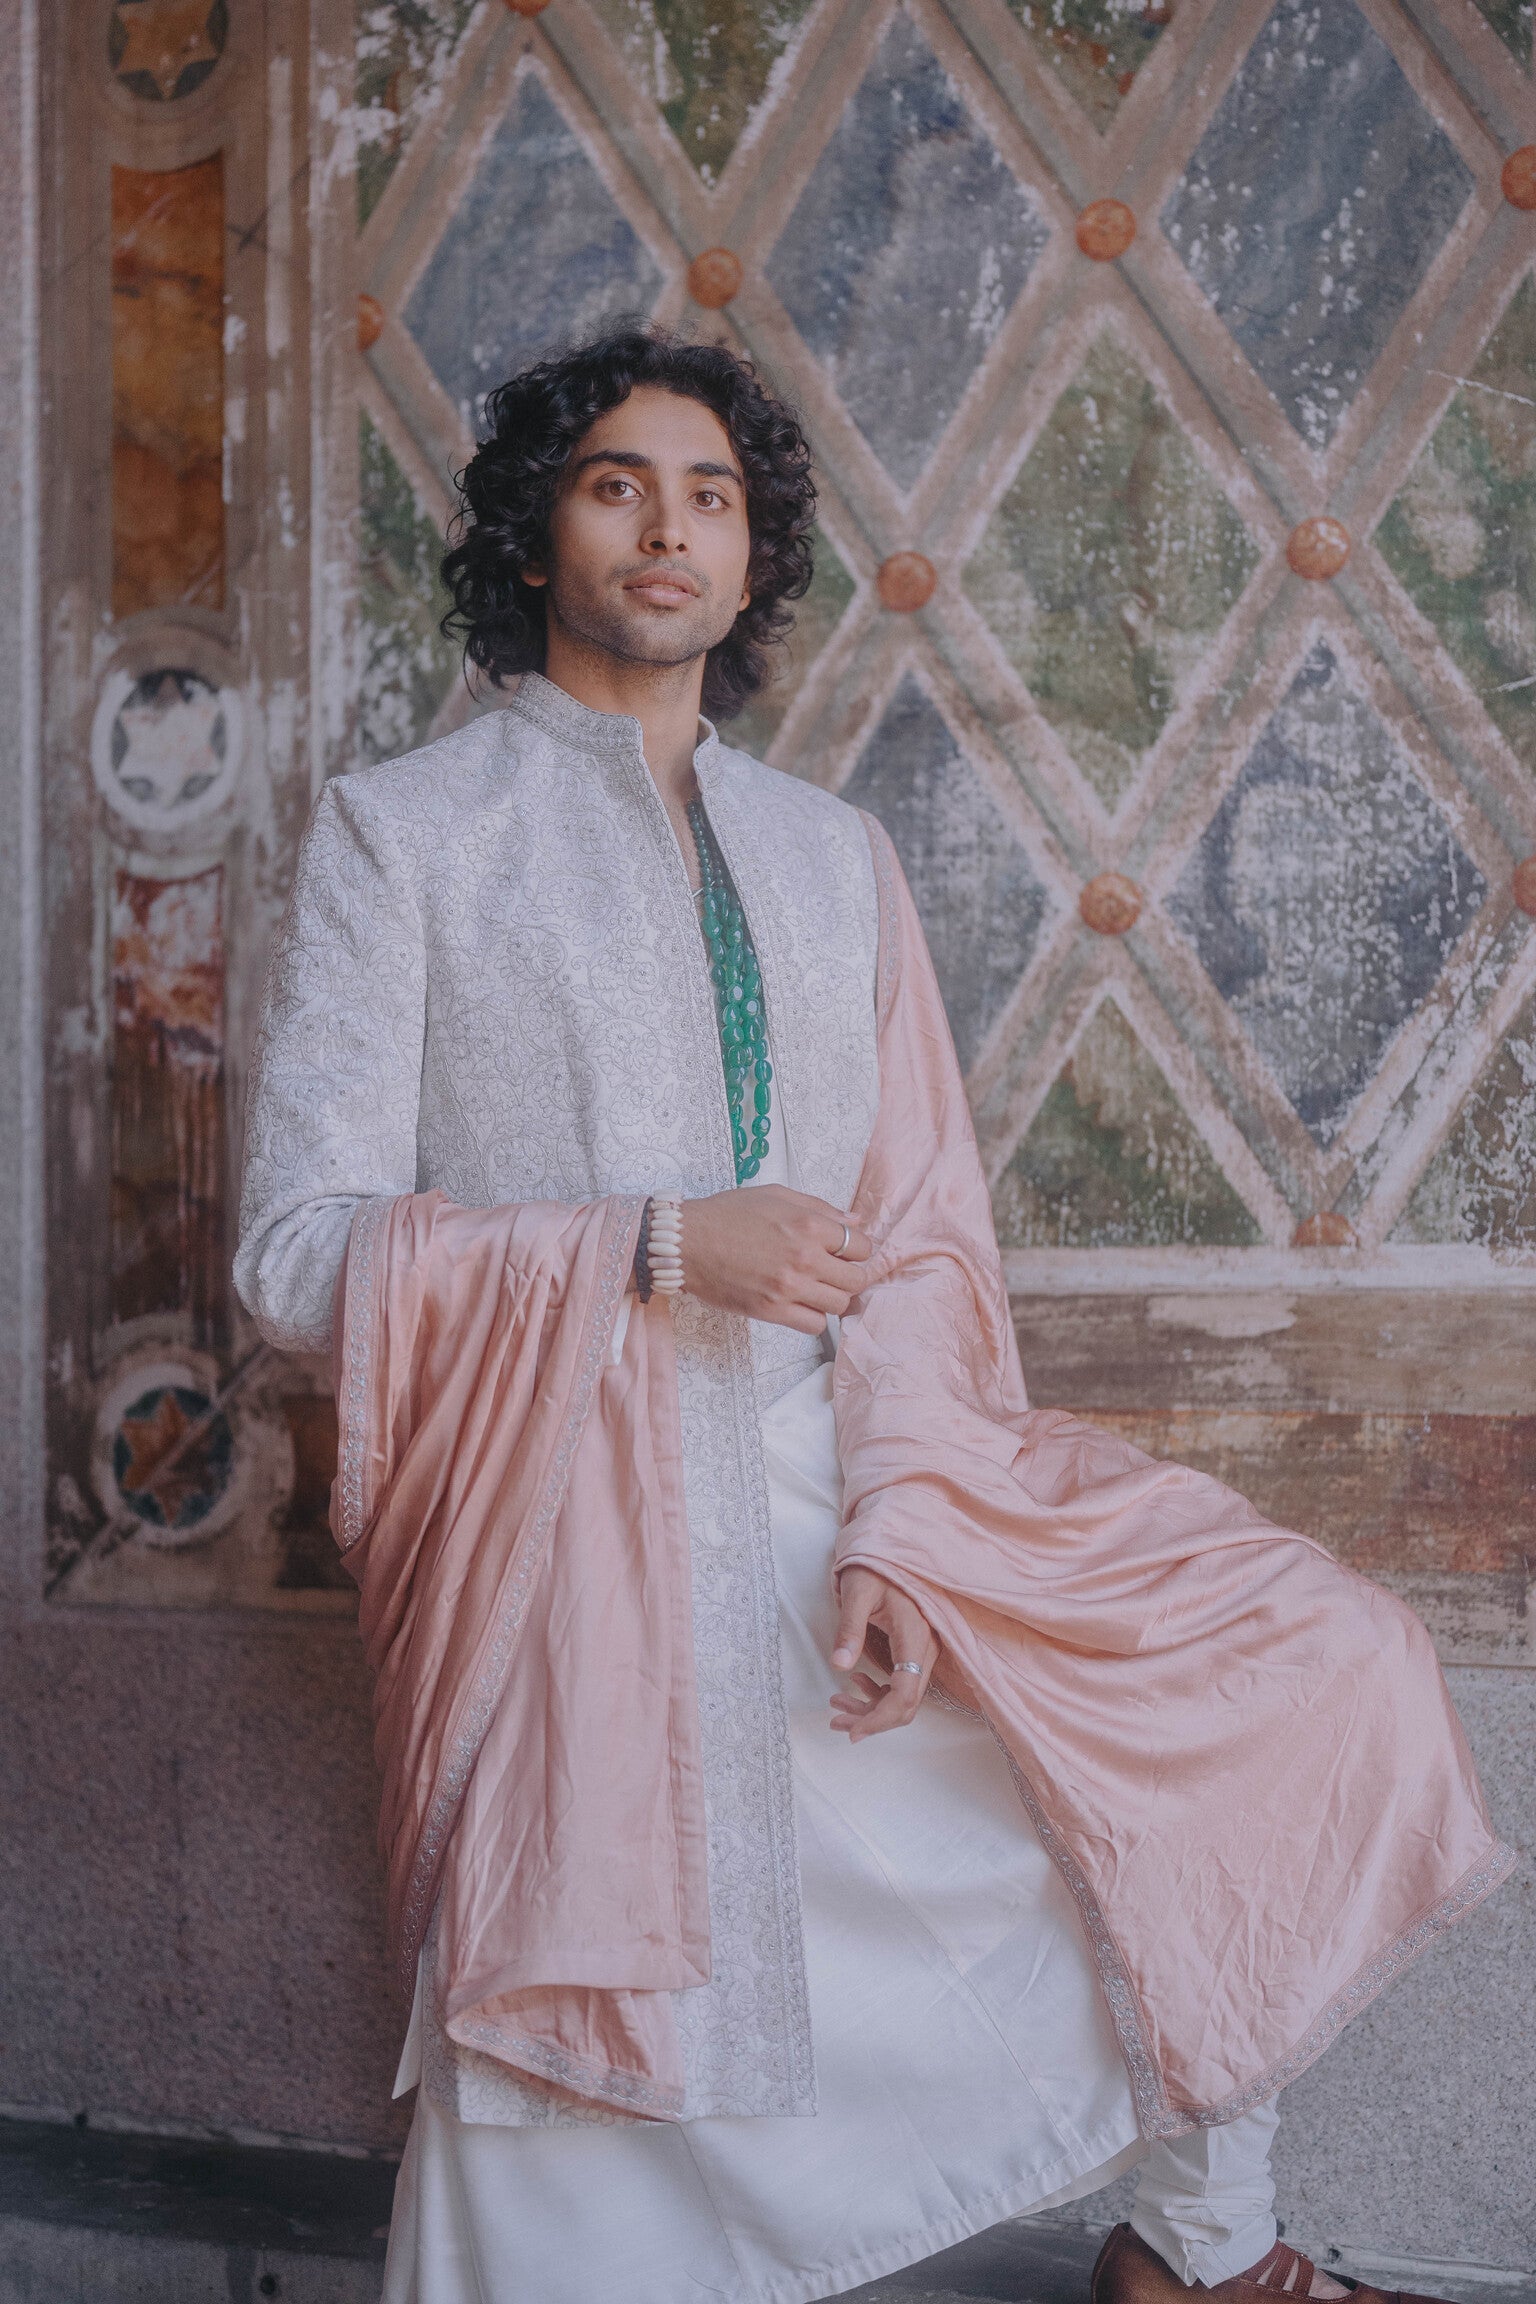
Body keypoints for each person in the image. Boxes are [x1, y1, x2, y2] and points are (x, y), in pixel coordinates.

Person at [234, 330, 1512, 2304]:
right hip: (571, 1540)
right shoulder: (409, 836)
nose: (670, 526)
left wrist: (912, 1522)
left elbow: (919, 1239)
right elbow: (296, 1255)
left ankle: (1200, 2250)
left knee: (1286, 1685)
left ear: (753, 561)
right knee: (599, 2042)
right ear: (530, 531)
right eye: (615, 484)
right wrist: (658, 1243)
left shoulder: (835, 864)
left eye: (714, 496)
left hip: (850, 1485)